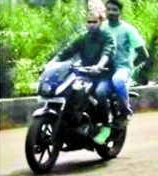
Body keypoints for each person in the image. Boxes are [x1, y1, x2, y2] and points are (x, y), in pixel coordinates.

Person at [49, 9, 115, 142]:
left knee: (100, 92)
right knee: (72, 90)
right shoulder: (83, 37)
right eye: (89, 22)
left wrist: (99, 65)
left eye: (94, 22)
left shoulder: (107, 36)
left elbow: (107, 53)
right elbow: (66, 51)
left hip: (104, 75)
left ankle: (106, 127)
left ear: (101, 22)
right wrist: (52, 62)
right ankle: (75, 123)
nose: (91, 25)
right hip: (86, 74)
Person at [102, 0, 149, 124]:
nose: (111, 12)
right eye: (108, 9)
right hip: (104, 69)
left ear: (120, 12)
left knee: (118, 81)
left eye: (115, 9)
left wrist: (130, 66)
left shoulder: (128, 30)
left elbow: (143, 54)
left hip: (122, 68)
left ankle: (125, 112)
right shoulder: (102, 28)